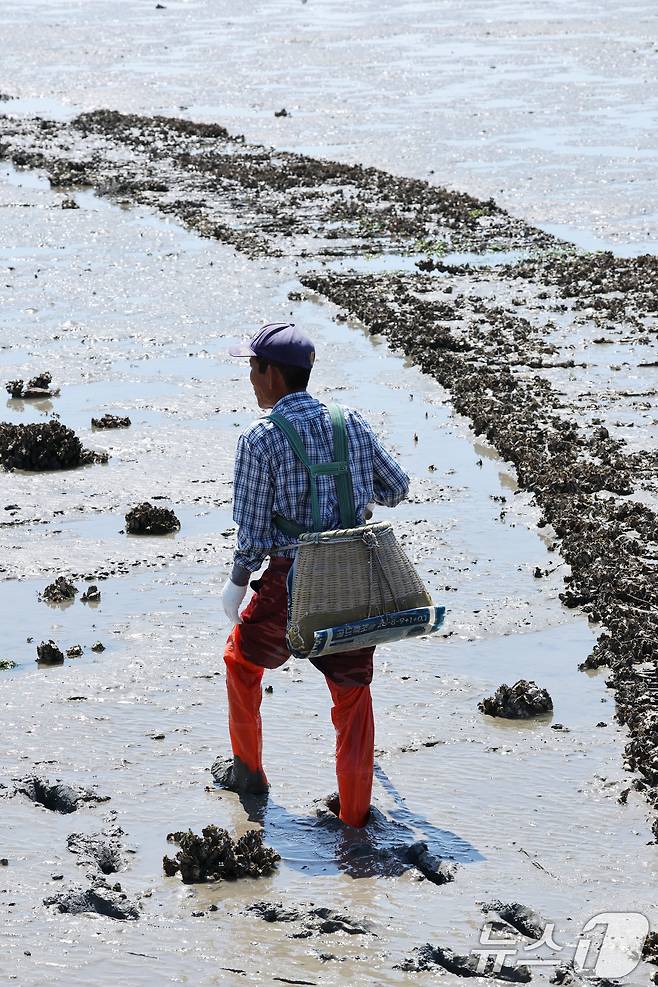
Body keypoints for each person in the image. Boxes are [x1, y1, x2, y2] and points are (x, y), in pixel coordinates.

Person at [219, 321, 409, 828]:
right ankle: (354, 815)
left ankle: (249, 774)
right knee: (351, 692)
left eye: (253, 369)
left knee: (241, 663)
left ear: (274, 375)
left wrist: (237, 582)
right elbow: (396, 489)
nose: (251, 379)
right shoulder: (352, 423)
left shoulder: (261, 439)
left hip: (290, 580)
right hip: (351, 579)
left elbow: (255, 533)